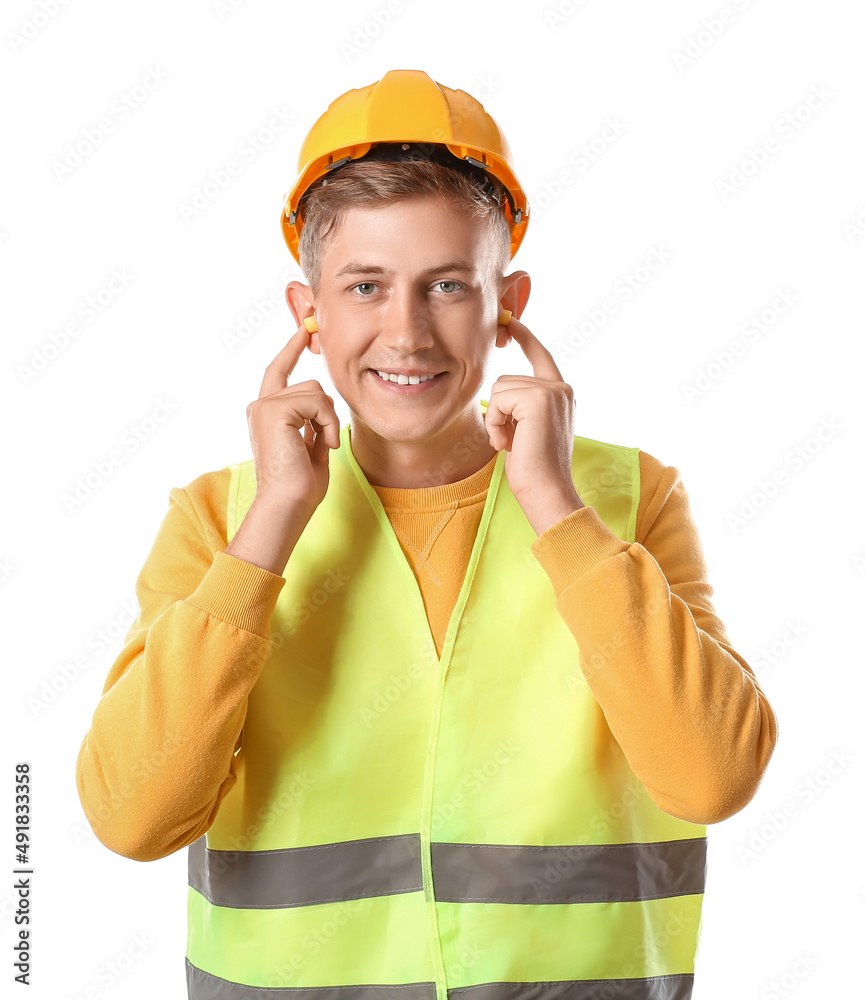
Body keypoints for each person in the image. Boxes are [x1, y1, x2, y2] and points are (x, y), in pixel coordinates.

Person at [76, 69, 778, 999]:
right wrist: (273, 525)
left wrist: (555, 509)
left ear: (507, 308)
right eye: (364, 286)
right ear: (307, 316)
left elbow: (712, 780)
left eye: (446, 285)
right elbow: (130, 818)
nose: (405, 333)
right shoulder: (220, 519)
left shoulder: (624, 498)